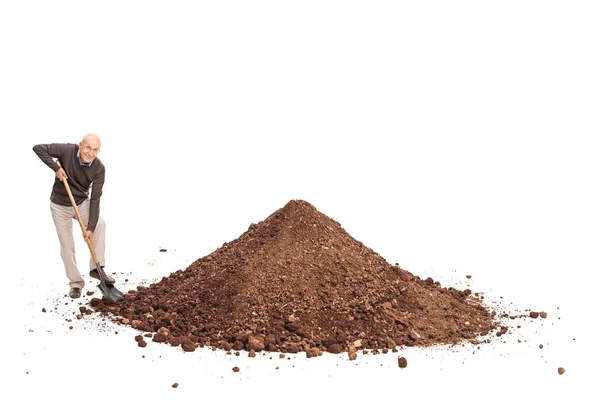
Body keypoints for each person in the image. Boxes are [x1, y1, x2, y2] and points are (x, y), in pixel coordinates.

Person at [33, 133, 115, 299]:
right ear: (80, 145)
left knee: (99, 224)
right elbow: (38, 148)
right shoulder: (67, 150)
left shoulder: (99, 168)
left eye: (95, 150)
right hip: (59, 205)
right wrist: (56, 168)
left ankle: (96, 269)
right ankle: (76, 284)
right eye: (87, 147)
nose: (90, 153)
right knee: (67, 247)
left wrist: (89, 228)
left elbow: (95, 199)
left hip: (81, 203)